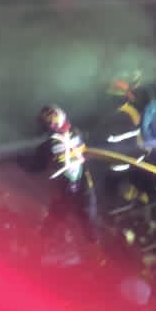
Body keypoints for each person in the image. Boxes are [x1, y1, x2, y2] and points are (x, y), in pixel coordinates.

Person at [34, 105, 98, 248]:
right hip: (65, 184)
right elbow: (39, 163)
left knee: (86, 212)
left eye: (51, 120)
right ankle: (43, 239)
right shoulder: (50, 143)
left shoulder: (74, 134)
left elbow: (85, 151)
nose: (51, 124)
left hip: (81, 181)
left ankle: (92, 243)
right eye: (48, 121)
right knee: (60, 210)